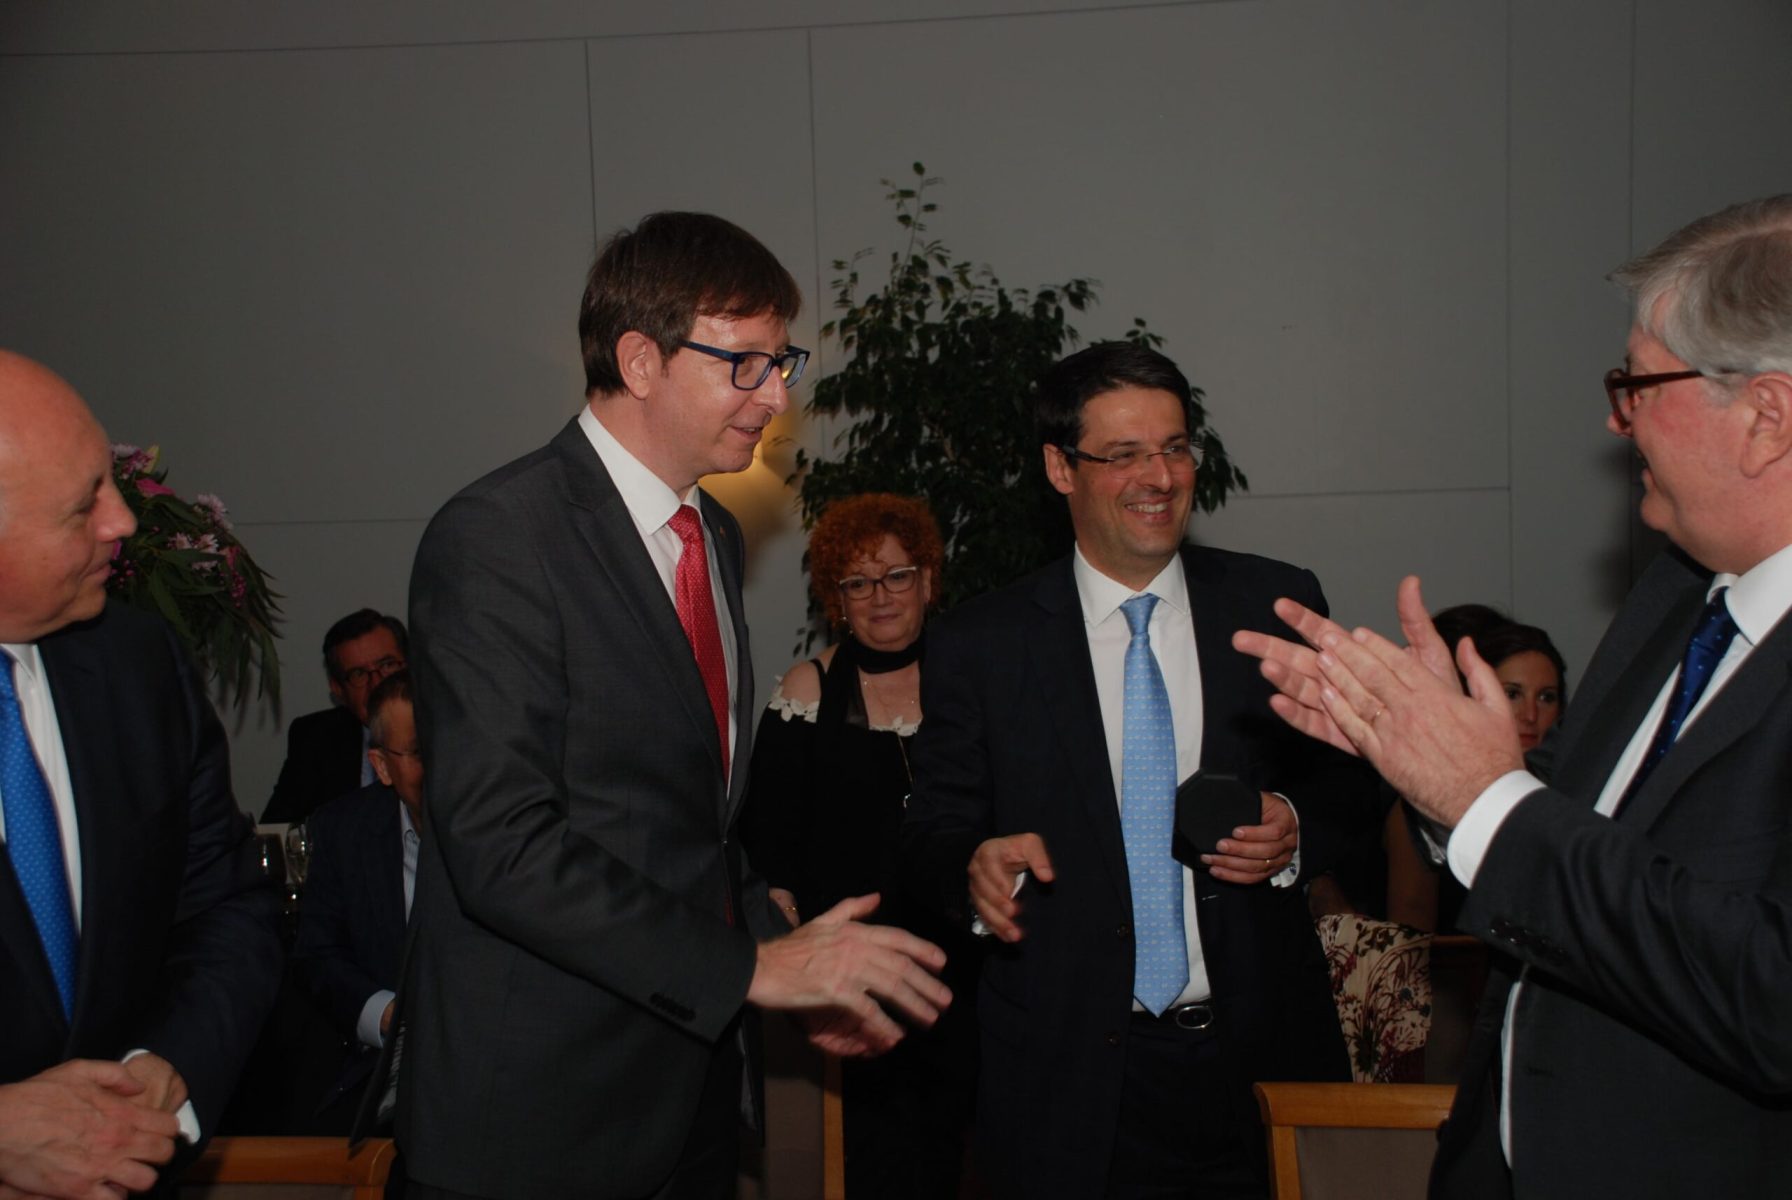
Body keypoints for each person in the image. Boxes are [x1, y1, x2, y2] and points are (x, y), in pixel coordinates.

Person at [1233, 194, 1792, 1197]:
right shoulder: (1676, 592)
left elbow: (1768, 996)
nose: (1615, 419)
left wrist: (1483, 798)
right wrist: (1427, 763)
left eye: (1637, 382)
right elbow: (1571, 834)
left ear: (1765, 417)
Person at [398, 212, 950, 1200]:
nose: (777, 395)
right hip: (539, 1117)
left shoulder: (714, 534)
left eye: (781, 362)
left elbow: (693, 830)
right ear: (640, 360)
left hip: (689, 1090)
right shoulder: (500, 536)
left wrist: (784, 953)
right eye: (746, 364)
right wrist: (749, 972)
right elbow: (499, 843)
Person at [901, 342, 1378, 1199]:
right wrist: (971, 870)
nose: (1159, 477)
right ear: (1060, 468)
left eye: (1175, 447)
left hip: (1259, 1062)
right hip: (1062, 1079)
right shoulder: (983, 643)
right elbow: (934, 830)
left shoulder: (1276, 605)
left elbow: (1354, 782)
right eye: (1123, 454)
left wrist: (1295, 825)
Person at [0, 350, 281, 1196]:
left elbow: (226, 907)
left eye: (110, 483)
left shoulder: (137, 666)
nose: (121, 521)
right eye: (83, 503)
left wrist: (165, 1071)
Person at [739, 493, 978, 1198]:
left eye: (897, 575)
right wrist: (804, 974)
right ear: (836, 600)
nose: (881, 596)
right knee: (877, 1167)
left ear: (928, 581)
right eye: (858, 582)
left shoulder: (973, 681)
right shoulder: (807, 690)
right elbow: (769, 854)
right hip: (857, 983)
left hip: (973, 975)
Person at [290, 670, 420, 1133]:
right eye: (419, 752)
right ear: (381, 766)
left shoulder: (506, 826)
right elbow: (318, 955)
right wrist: (386, 1015)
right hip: (384, 1079)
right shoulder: (344, 831)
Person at [1383, 616, 1569, 933]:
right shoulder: (1426, 800)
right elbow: (1410, 933)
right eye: (1512, 694)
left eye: (1546, 697)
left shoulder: (1574, 790)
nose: (1530, 715)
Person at [263, 608, 408, 824]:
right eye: (359, 674)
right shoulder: (315, 738)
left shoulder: (445, 732)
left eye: (387, 665)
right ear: (338, 689)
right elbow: (278, 829)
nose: (377, 684)